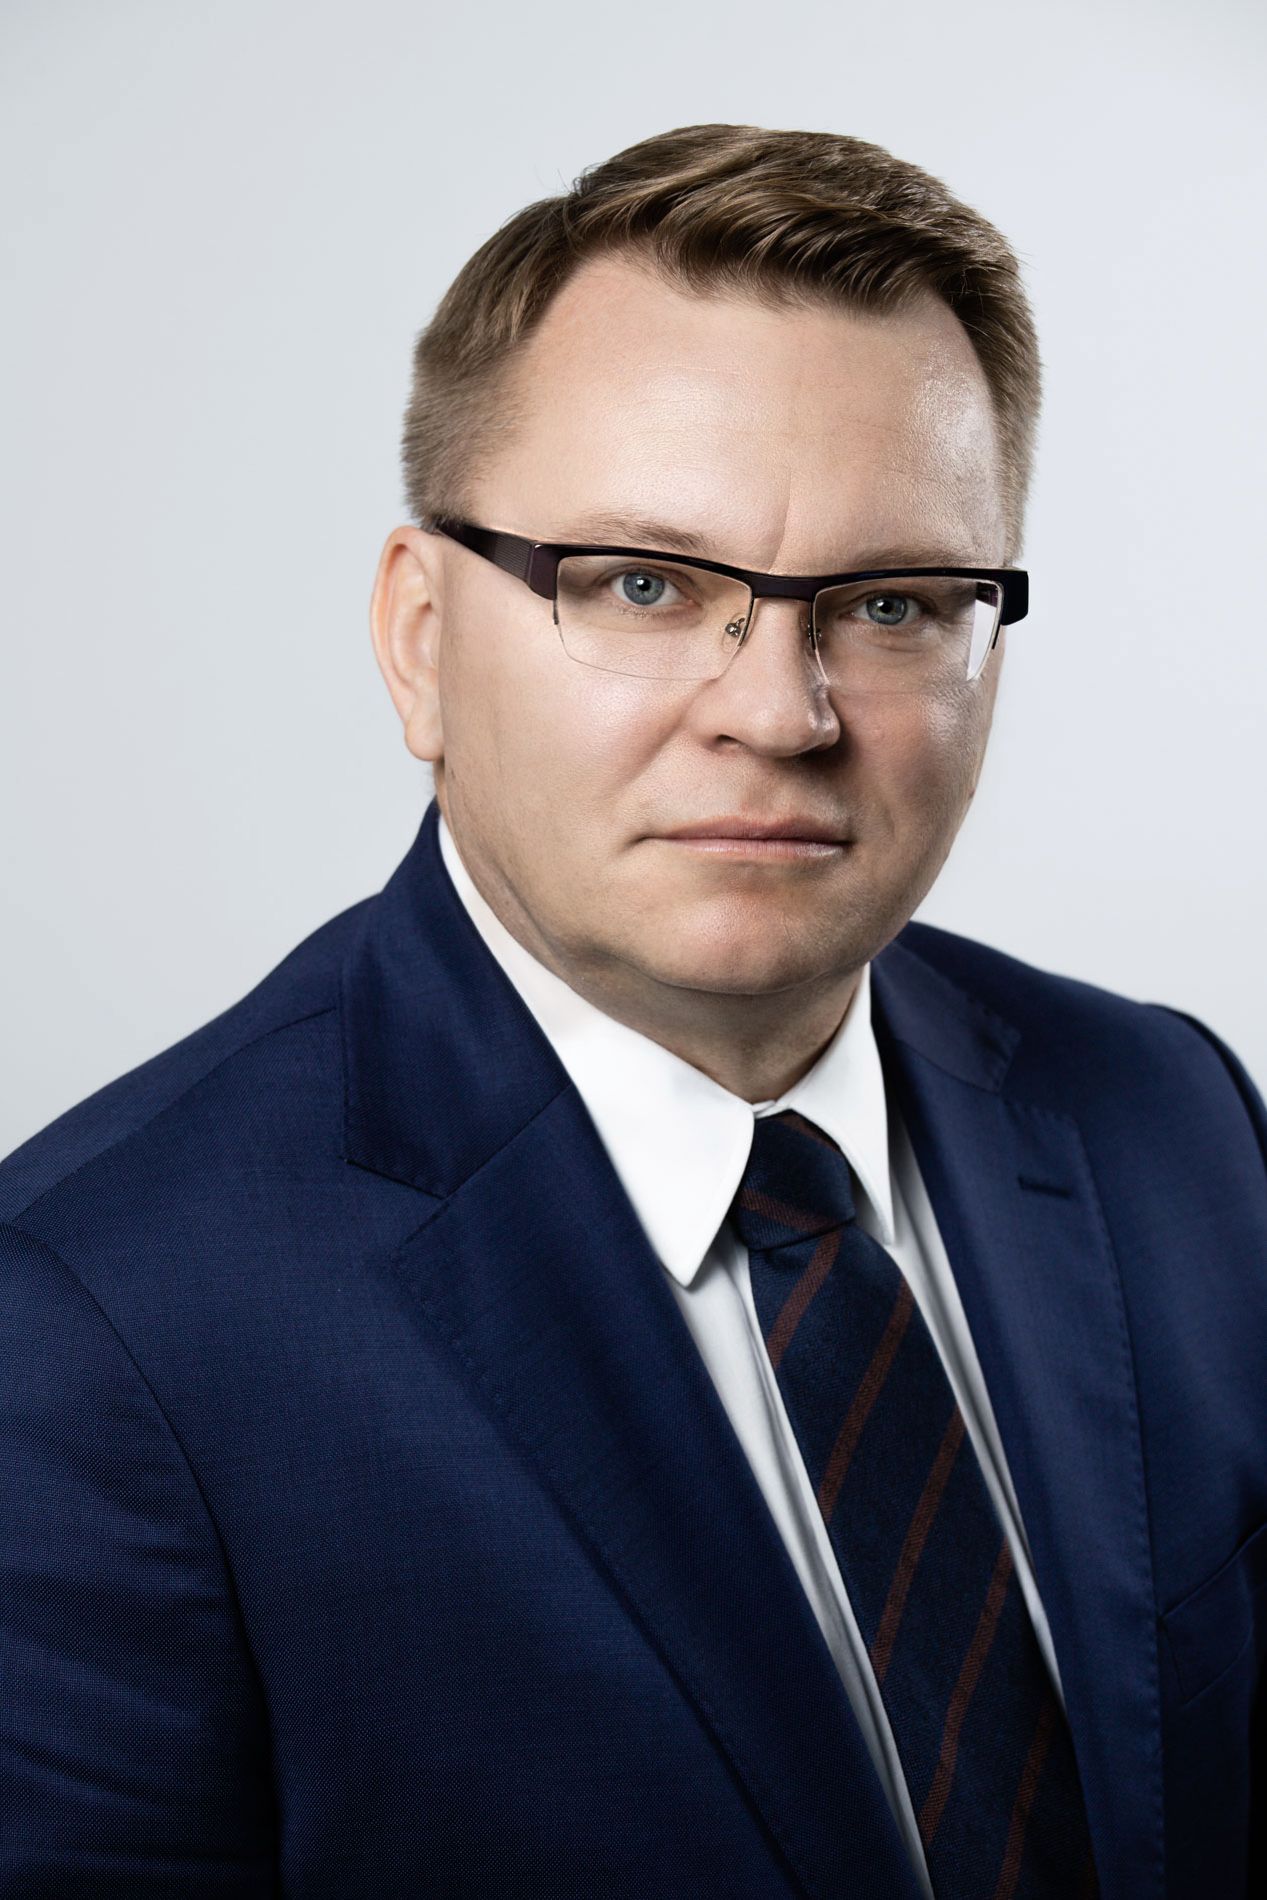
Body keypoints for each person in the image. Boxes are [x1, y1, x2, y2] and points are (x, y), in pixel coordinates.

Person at [1, 122, 1263, 1900]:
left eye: (893, 602)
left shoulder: (1173, 1121)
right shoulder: (91, 1332)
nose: (781, 714)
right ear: (420, 639)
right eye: (645, 586)